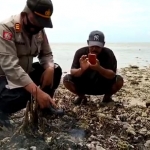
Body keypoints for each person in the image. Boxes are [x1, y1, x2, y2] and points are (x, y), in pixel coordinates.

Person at [0, 0, 63, 127]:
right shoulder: (6, 28)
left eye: (42, 24)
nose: (39, 27)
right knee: (17, 97)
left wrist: (50, 68)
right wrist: (36, 91)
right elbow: (11, 67)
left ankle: (44, 105)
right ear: (24, 15)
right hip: (4, 77)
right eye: (37, 22)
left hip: (25, 72)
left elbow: (46, 54)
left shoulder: (39, 30)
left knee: (56, 70)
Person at [63, 30, 124, 105]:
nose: (94, 48)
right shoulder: (80, 53)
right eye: (92, 46)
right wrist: (82, 69)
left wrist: (99, 68)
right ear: (88, 43)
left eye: (98, 46)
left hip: (102, 85)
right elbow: (73, 72)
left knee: (119, 80)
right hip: (84, 85)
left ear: (103, 44)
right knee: (66, 79)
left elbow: (112, 75)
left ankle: (107, 98)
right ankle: (82, 97)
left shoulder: (108, 53)